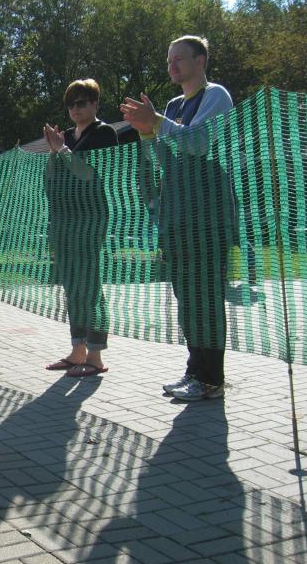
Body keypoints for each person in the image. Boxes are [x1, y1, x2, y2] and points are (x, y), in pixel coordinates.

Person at [120, 35, 234, 401]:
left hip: (208, 216)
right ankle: (194, 371)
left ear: (200, 61)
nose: (171, 66)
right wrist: (145, 133)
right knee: (186, 297)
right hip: (178, 216)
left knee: (206, 296)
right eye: (169, 60)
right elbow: (162, 158)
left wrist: (156, 121)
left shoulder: (216, 95)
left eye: (179, 59)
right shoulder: (172, 105)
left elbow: (197, 144)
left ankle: (211, 380)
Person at [42, 78, 118, 378]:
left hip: (91, 220)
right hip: (64, 221)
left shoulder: (104, 133)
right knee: (72, 285)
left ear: (95, 104)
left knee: (89, 284)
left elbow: (90, 174)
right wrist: (53, 152)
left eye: (82, 102)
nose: (75, 108)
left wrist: (61, 150)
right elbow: (51, 179)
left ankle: (96, 356)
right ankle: (78, 351)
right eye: (71, 104)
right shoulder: (66, 137)